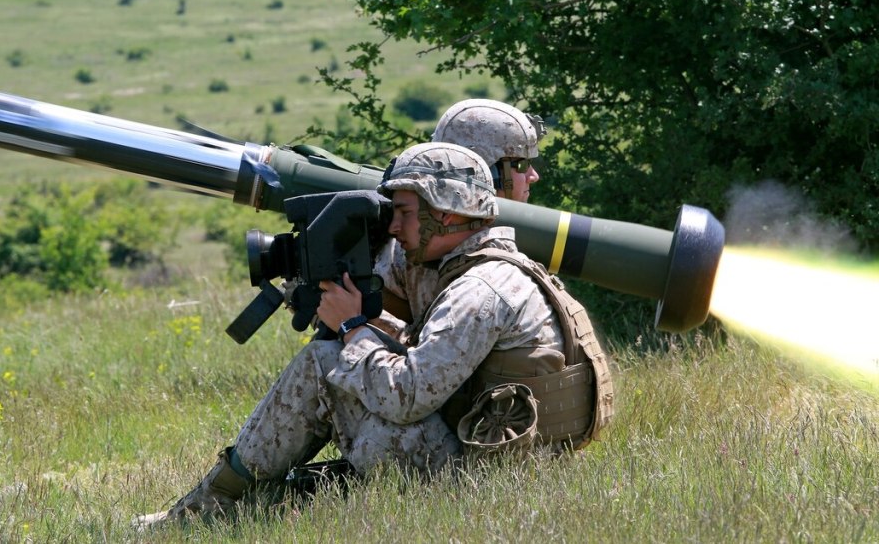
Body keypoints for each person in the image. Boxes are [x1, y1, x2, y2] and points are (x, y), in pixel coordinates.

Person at [135, 142, 613, 529]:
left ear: (446, 213)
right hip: (508, 466)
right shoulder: (471, 267)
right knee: (334, 359)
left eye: (404, 212)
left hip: (486, 484)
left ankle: (201, 514)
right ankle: (255, 498)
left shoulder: (480, 290)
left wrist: (352, 328)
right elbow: (428, 358)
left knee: (323, 366)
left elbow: (408, 396)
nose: (394, 226)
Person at [375, 98, 546, 326]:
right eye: (522, 165)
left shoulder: (416, 236)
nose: (533, 176)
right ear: (488, 169)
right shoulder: (409, 250)